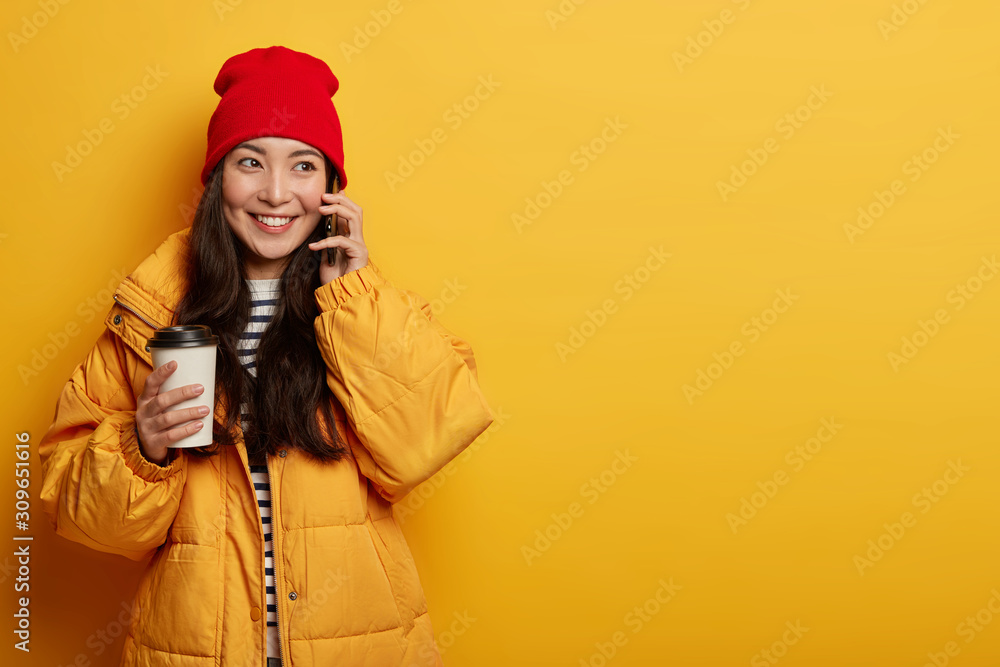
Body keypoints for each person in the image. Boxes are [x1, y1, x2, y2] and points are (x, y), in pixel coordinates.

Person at [38, 45, 495, 667]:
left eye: (303, 166)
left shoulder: (369, 308)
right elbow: (82, 515)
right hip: (198, 650)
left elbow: (421, 445)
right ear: (216, 178)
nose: (277, 193)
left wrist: (352, 295)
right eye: (250, 162)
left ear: (332, 188)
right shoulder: (149, 316)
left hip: (364, 645)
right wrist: (141, 446)